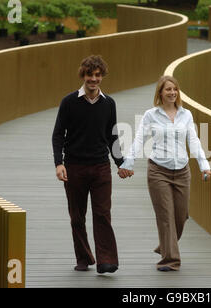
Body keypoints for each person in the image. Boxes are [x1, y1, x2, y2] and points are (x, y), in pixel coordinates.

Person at [119, 75, 211, 271]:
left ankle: (165, 246)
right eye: (168, 89)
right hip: (158, 171)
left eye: (174, 89)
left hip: (182, 172)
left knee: (181, 215)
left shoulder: (186, 115)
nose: (172, 92)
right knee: (165, 216)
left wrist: (204, 165)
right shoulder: (150, 115)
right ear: (160, 93)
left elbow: (193, 141)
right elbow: (138, 140)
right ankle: (170, 259)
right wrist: (128, 163)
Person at [52, 55, 131, 274]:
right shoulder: (69, 102)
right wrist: (59, 163)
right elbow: (58, 134)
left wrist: (120, 163)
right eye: (89, 75)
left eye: (97, 75)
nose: (93, 79)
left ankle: (106, 260)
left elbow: (112, 136)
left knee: (102, 213)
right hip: (74, 167)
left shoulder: (109, 103)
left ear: (102, 77)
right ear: (83, 75)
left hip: (100, 167)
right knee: (77, 217)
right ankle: (84, 257)